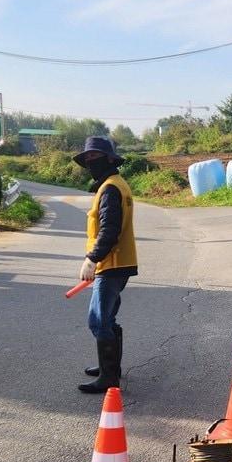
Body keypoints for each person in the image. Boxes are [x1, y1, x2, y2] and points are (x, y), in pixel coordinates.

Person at [75, 137, 137, 394]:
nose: (91, 163)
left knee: (98, 321)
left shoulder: (111, 189)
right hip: (118, 262)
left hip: (110, 264)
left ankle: (109, 377)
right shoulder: (115, 185)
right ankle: (111, 368)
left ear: (110, 159)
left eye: (95, 157)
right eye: (88, 158)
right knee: (108, 318)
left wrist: (92, 259)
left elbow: (109, 230)